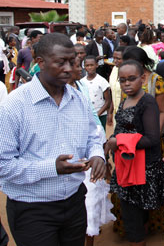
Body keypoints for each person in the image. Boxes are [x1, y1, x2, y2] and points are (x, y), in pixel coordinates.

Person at [0, 33, 106, 246]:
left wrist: (97, 155)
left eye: (72, 62)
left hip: (75, 202)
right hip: (33, 210)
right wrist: (52, 168)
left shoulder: (78, 99)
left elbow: (92, 137)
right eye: (61, 62)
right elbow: (4, 165)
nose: (69, 68)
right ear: (40, 62)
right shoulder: (14, 106)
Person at [105, 60, 164, 245]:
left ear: (142, 78)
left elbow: (151, 138)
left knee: (132, 213)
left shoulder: (147, 102)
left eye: (131, 79)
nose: (126, 83)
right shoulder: (127, 99)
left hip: (141, 167)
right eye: (122, 80)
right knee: (133, 212)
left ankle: (138, 240)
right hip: (126, 163)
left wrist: (118, 141)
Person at [68, 57, 116, 246]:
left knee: (91, 198)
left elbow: (92, 119)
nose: (79, 68)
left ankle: (90, 240)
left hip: (90, 149)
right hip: (71, 156)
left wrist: (100, 144)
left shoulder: (81, 87)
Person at [123, 47, 164, 132]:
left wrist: (156, 134)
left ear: (140, 63)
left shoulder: (156, 80)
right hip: (130, 133)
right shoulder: (126, 80)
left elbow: (163, 111)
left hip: (150, 131)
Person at [82, 55, 112, 131]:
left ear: (96, 65)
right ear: (84, 67)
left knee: (100, 135)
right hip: (86, 115)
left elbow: (108, 100)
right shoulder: (82, 82)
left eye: (92, 65)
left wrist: (97, 114)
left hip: (101, 115)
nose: (89, 67)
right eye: (87, 65)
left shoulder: (102, 81)